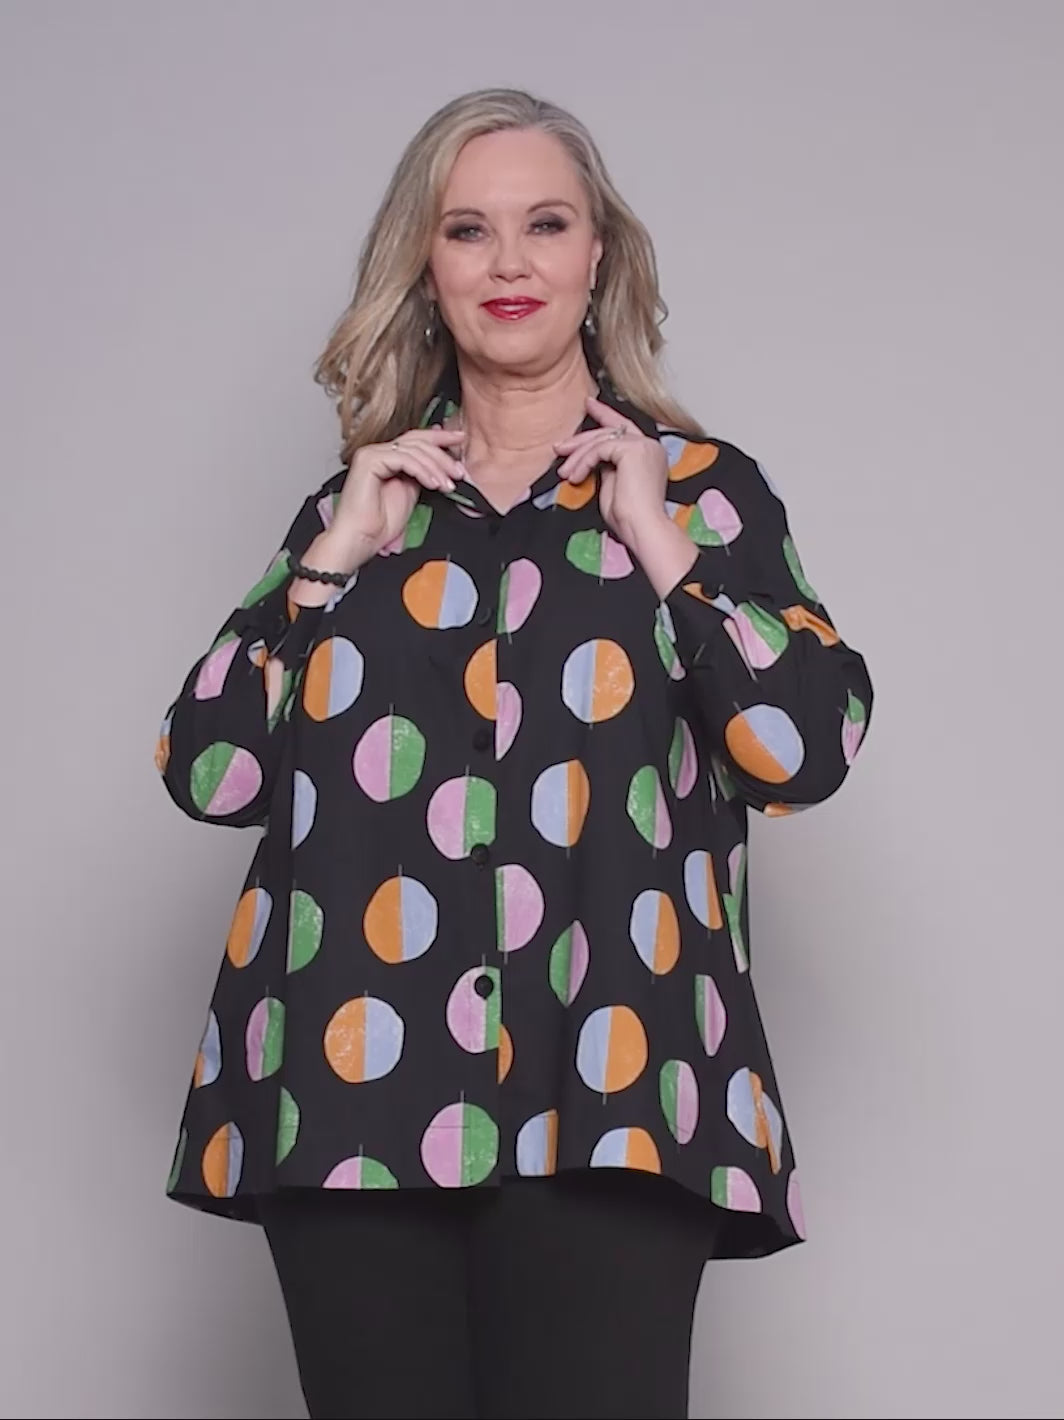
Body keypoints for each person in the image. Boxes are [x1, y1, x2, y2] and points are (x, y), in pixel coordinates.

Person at [155, 86, 874, 1420]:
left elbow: (804, 747)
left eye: (545, 224)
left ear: (601, 254)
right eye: (467, 229)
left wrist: (659, 545)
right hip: (351, 1093)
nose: (509, 262)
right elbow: (210, 772)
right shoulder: (356, 511)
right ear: (425, 268)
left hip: (613, 1082)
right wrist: (329, 561)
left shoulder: (705, 493)